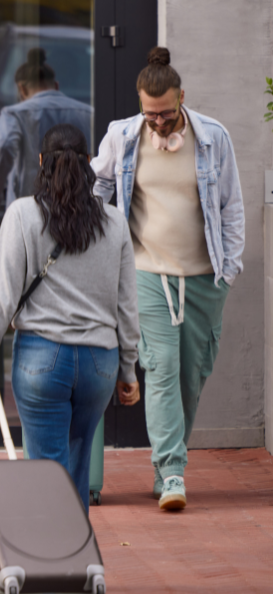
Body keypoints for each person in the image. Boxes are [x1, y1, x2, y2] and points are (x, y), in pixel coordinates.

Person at [0, 123, 141, 513]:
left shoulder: (23, 214)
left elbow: (3, 293)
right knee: (77, 463)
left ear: (41, 162)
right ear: (90, 163)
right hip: (100, 364)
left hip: (43, 359)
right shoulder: (114, 223)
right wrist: (128, 370)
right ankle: (77, 560)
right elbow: (127, 305)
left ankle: (53, 561)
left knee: (45, 469)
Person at [91, 47, 244, 511]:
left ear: (183, 98)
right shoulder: (123, 136)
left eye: (166, 113)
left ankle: (164, 472)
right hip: (146, 272)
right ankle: (174, 472)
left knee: (191, 376)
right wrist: (99, 234)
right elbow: (98, 185)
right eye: (149, 114)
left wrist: (229, 271)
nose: (157, 123)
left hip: (203, 277)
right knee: (159, 369)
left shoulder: (213, 137)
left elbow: (231, 207)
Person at [0, 48, 93, 219]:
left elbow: (3, 147)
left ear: (21, 89)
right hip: (79, 207)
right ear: (56, 85)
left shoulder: (15, 114)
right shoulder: (88, 113)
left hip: (29, 208)